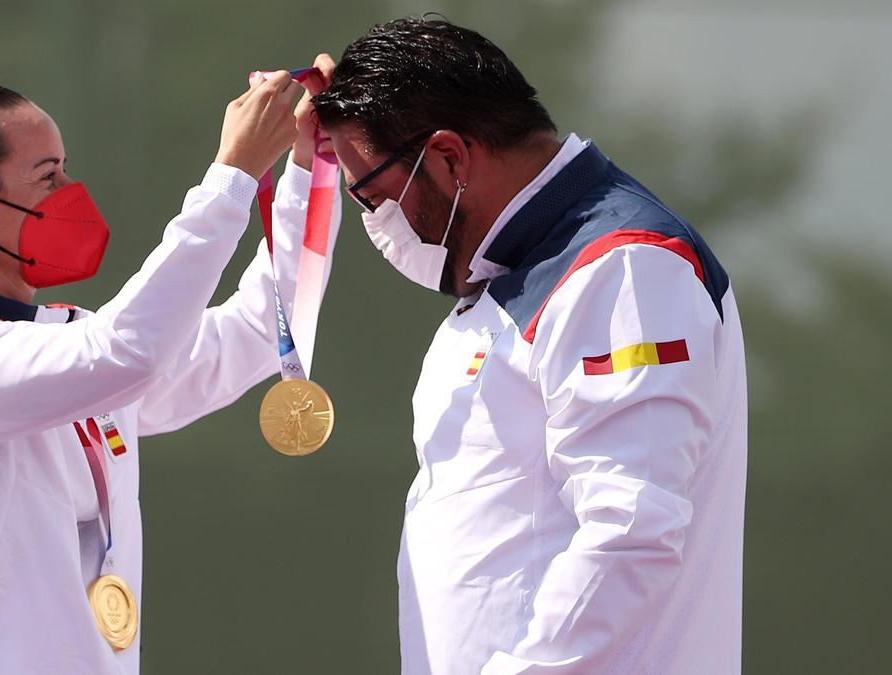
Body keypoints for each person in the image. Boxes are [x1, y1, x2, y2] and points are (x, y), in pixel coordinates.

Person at [0, 71, 339, 674]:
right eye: (47, 176)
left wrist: (308, 169)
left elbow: (259, 332)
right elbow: (124, 352)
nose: (71, 192)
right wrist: (230, 177)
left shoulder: (66, 336)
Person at [312, 18, 746, 674]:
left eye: (372, 194)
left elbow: (630, 536)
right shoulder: (509, 275)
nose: (377, 220)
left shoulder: (623, 265)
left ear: (452, 158)